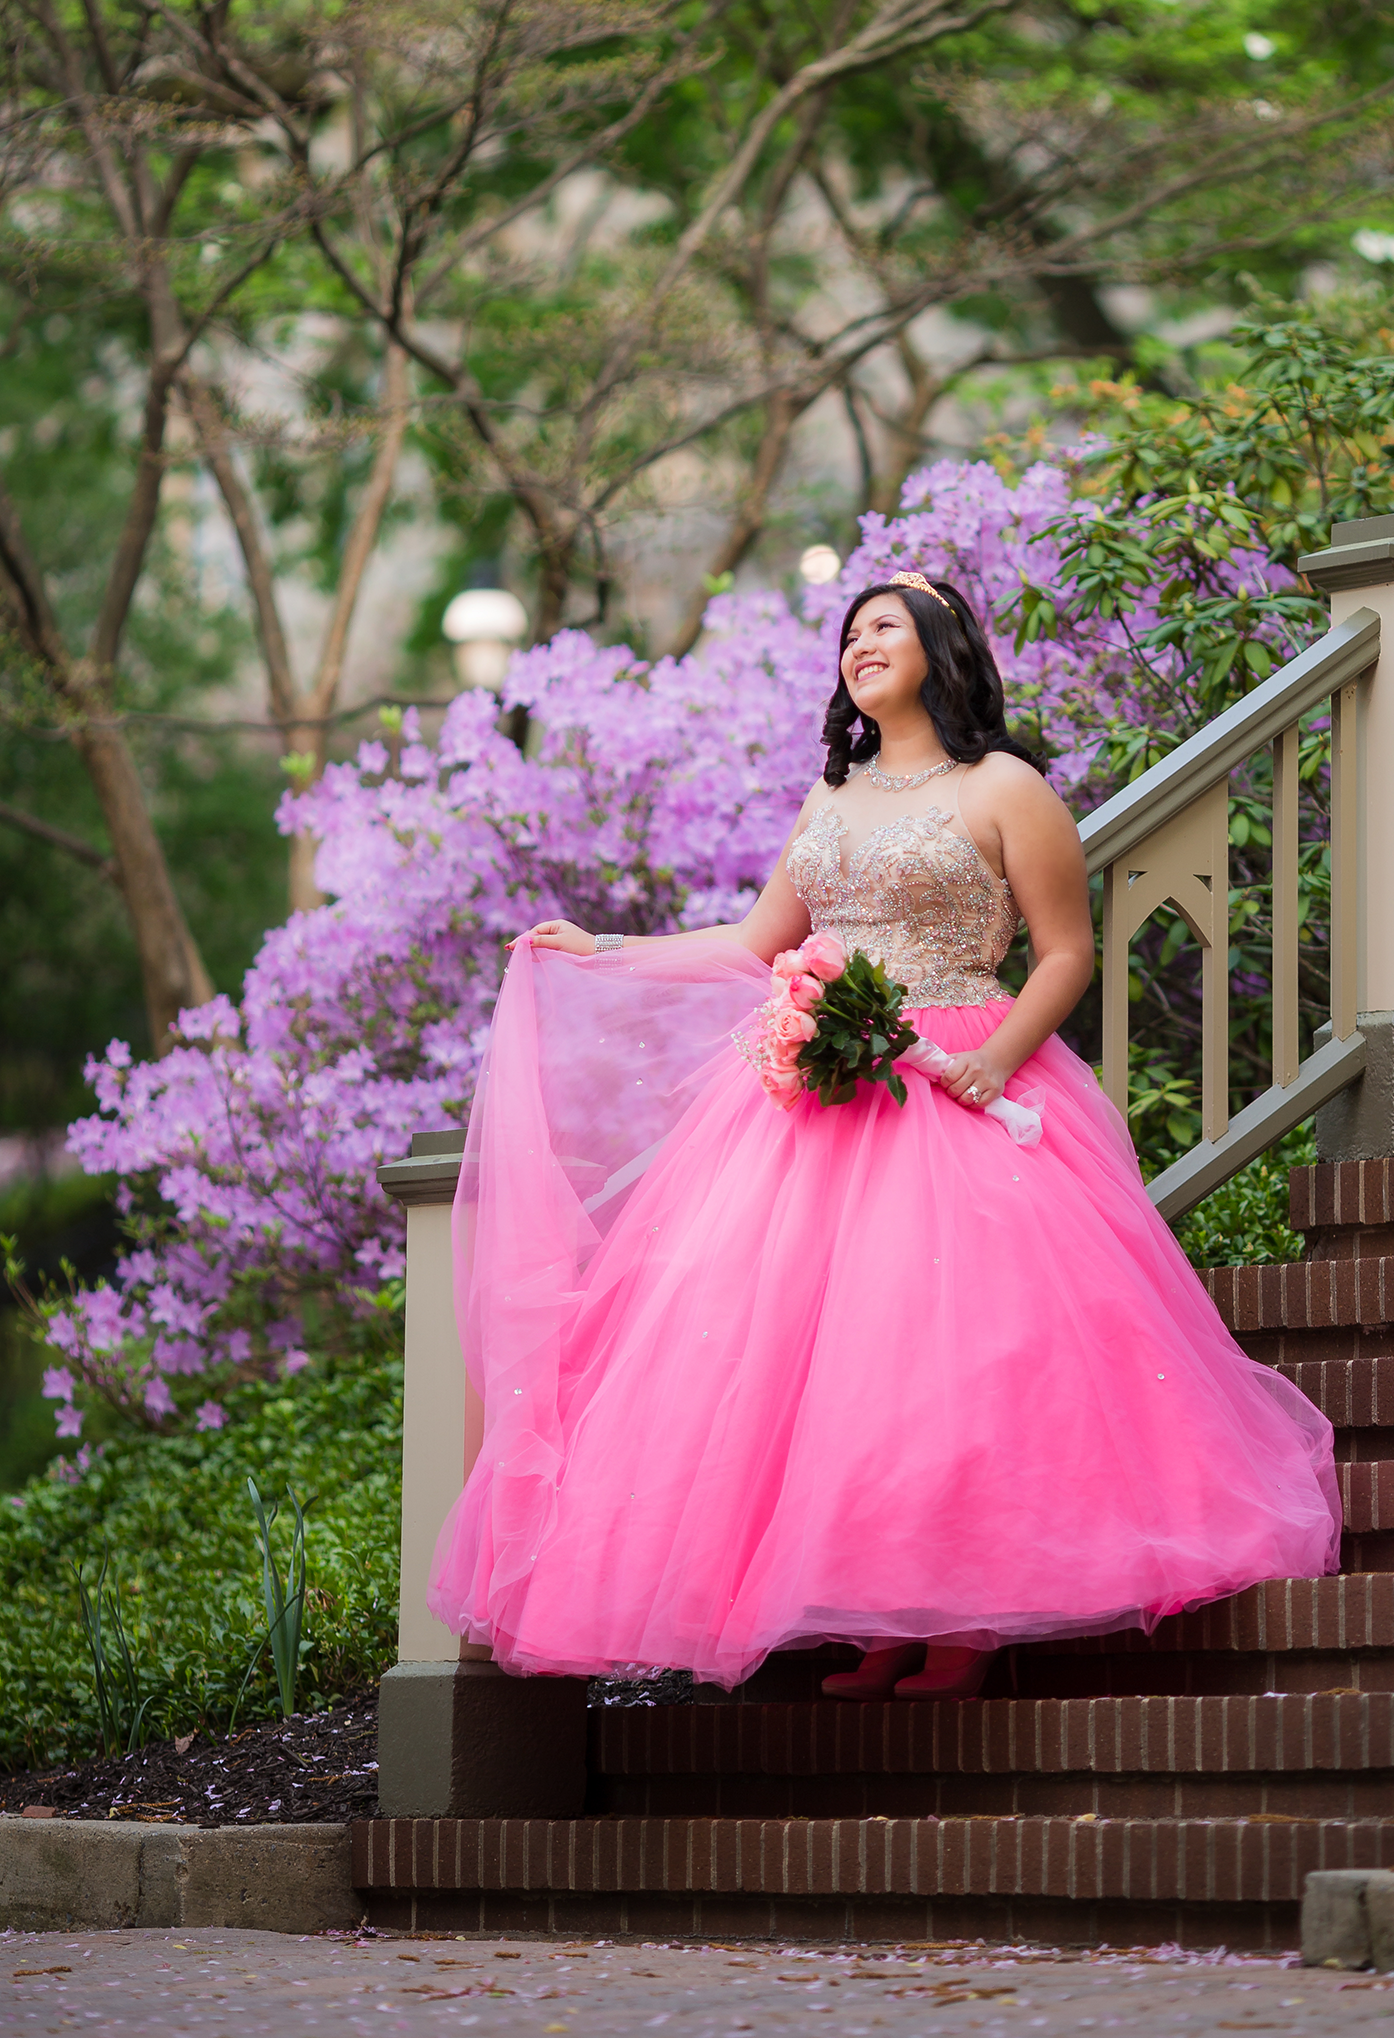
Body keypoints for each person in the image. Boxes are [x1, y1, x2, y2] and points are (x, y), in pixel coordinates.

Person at [429, 571, 1341, 1704]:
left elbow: (1064, 953)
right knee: (838, 1372)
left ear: (940, 650)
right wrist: (606, 948)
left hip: (959, 1073)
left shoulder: (1007, 787)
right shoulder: (833, 798)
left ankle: (963, 1629)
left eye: (885, 628)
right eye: (850, 633)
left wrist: (992, 1062)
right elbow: (760, 940)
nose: (861, 646)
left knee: (954, 1356)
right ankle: (880, 1623)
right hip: (821, 1098)